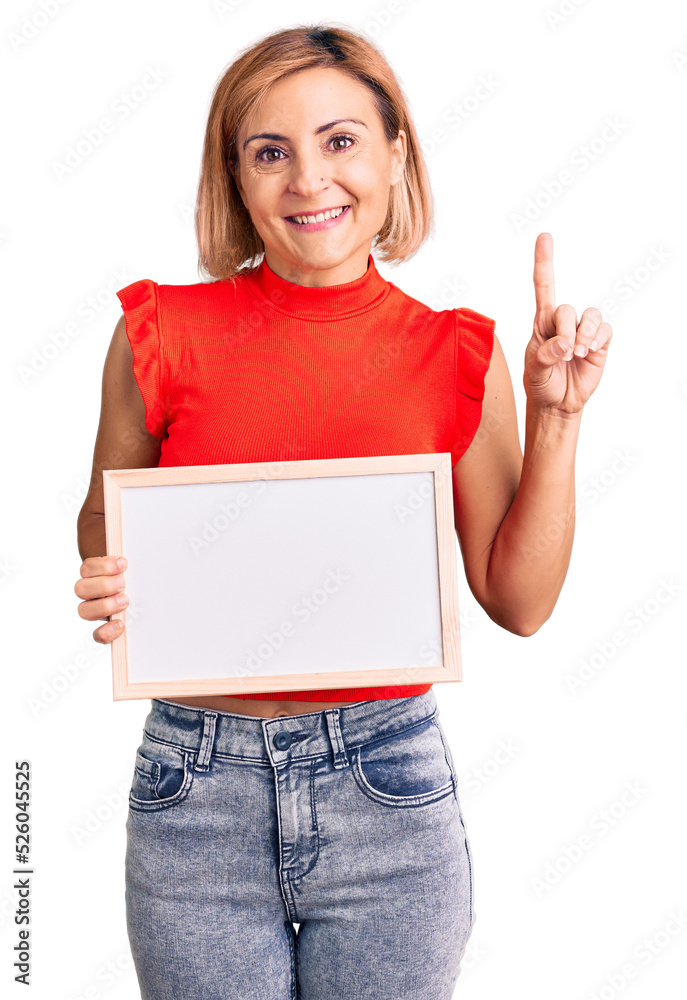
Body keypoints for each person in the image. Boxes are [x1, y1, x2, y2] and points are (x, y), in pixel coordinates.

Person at [74, 22, 612, 1000]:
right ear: (235, 178)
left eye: (340, 141)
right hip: (196, 789)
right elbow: (102, 524)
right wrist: (114, 574)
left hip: (388, 787)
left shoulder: (456, 352)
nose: (308, 181)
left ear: (396, 152)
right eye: (268, 153)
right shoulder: (157, 334)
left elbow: (520, 601)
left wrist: (555, 415)